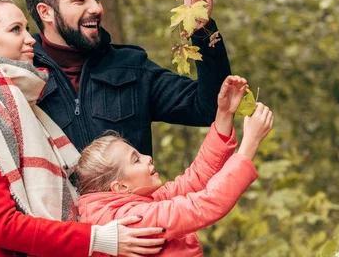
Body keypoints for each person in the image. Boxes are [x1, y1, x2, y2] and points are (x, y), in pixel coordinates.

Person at [0, 0, 232, 222]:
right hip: (56, 242)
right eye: (80, 0)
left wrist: (202, 28)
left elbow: (208, 106)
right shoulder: (14, 78)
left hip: (134, 233)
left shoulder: (131, 66)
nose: (95, 7)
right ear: (46, 12)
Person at [0, 0, 166, 256]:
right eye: (16, 30)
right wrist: (97, 238)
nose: (30, 40)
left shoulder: (27, 106)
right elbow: (0, 225)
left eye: (26, 28)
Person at [76, 76, 274, 256]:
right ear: (120, 187)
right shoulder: (131, 220)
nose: (148, 158)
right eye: (136, 160)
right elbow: (205, 204)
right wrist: (249, 144)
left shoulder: (135, 203)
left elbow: (196, 179)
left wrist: (224, 113)